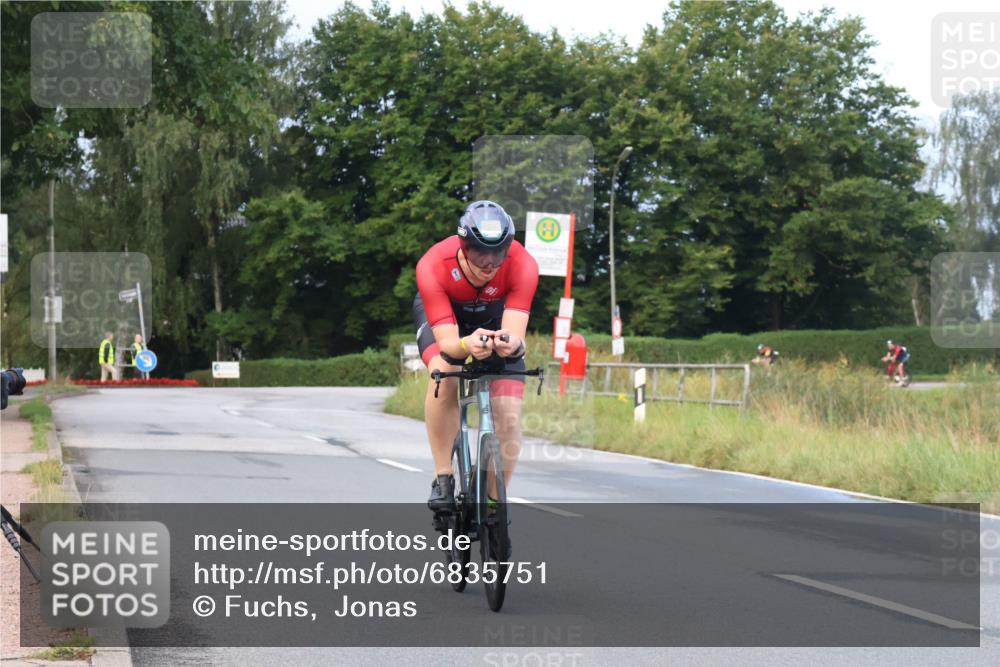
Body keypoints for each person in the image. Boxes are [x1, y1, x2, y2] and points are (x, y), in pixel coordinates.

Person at [413, 200, 539, 514]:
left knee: (509, 413)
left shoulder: (523, 264)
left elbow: (516, 336)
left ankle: (494, 502)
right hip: (447, 323)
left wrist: (512, 345)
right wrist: (467, 345)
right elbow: (448, 345)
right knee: (443, 373)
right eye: (479, 252)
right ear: (463, 245)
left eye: (498, 253)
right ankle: (443, 477)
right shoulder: (433, 264)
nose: (489, 263)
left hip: (495, 321)